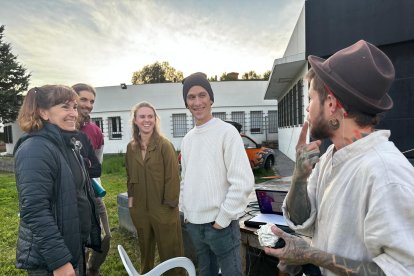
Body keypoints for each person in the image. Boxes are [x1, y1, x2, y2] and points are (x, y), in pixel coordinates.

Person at [264, 40, 414, 275]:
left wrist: (310, 255)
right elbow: (302, 219)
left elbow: (400, 271)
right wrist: (300, 177)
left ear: (331, 103)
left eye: (311, 99)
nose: (307, 109)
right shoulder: (330, 158)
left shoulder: (386, 174)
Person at [14, 85, 101, 276]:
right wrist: (59, 262)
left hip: (72, 245)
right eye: (65, 107)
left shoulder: (66, 144)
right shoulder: (35, 149)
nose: (73, 113)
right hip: (50, 261)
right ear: (43, 112)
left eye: (74, 107)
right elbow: (34, 211)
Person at [180, 72, 255, 276]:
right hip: (194, 225)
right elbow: (185, 179)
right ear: (186, 103)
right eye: (191, 97)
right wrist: (186, 212)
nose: (197, 102)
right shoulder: (187, 140)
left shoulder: (226, 132)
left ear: (211, 99)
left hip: (220, 225)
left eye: (202, 95)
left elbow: (243, 182)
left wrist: (223, 218)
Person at [125, 101, 184, 276]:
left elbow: (173, 179)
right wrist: (131, 204)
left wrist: (169, 207)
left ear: (155, 120)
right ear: (135, 120)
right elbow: (129, 177)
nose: (146, 120)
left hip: (163, 208)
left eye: (150, 116)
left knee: (170, 250)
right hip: (140, 208)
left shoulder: (164, 146)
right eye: (142, 116)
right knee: (145, 248)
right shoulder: (131, 147)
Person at [72, 83, 110, 276]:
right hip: (73, 196)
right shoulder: (61, 128)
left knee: (105, 237)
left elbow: (97, 166)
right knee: (81, 242)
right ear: (72, 99)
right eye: (83, 99)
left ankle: (93, 269)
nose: (88, 105)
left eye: (92, 101)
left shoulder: (95, 131)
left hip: (94, 192)